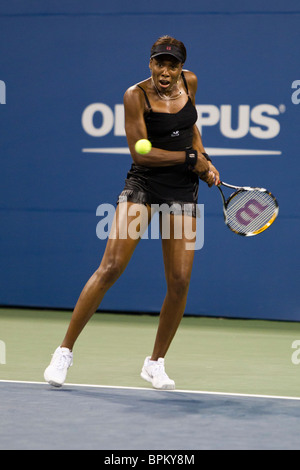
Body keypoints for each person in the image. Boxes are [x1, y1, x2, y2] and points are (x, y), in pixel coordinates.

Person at [44, 35, 220, 390]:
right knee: (110, 268)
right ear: (150, 63)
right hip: (144, 184)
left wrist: (205, 159)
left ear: (181, 67)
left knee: (180, 280)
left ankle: (155, 362)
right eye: (159, 63)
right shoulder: (134, 96)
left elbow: (191, 127)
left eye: (172, 64)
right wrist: (190, 158)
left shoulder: (191, 83)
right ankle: (64, 351)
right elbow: (141, 154)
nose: (165, 71)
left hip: (182, 189)